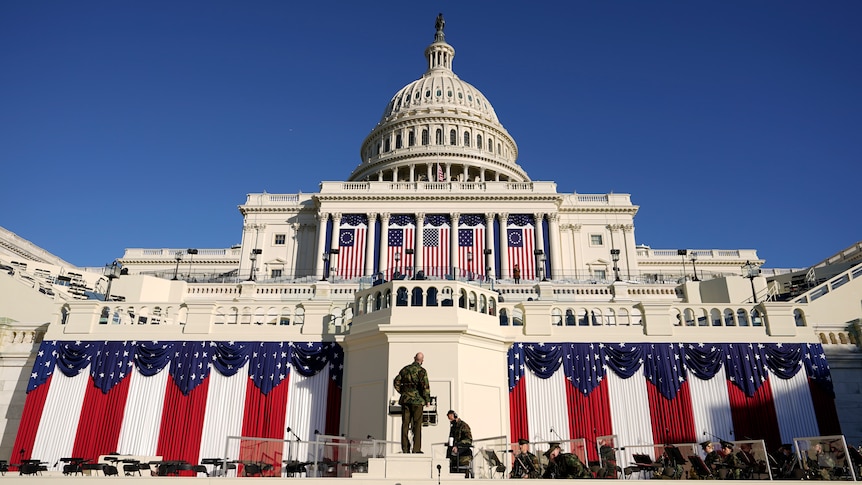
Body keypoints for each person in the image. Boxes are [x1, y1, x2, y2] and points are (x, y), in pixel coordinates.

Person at [393, 352, 430, 453]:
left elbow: (396, 381)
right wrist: (427, 400)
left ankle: (405, 448)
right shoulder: (421, 371)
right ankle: (416, 449)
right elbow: (425, 386)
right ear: (422, 360)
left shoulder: (405, 369)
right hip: (417, 401)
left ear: (414, 358)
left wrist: (403, 392)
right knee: (417, 425)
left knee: (405, 424)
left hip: (406, 401)